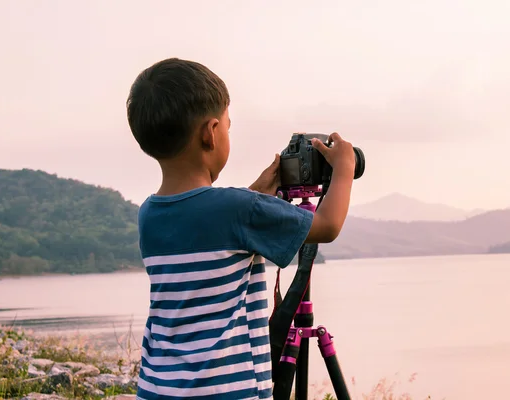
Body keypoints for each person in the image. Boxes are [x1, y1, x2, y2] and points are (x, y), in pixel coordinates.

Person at [126, 57, 355, 400]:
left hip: (159, 388)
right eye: (229, 127)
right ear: (211, 133)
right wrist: (345, 168)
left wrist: (255, 197)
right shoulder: (238, 209)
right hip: (226, 391)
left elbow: (208, 222)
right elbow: (328, 225)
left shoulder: (149, 213)